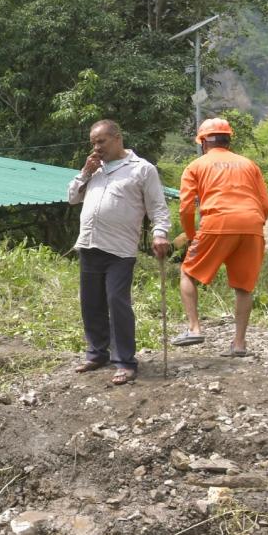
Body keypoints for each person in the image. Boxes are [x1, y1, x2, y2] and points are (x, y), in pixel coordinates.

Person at [67, 119, 171, 385]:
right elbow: (72, 197)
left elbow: (158, 207)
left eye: (101, 141)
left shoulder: (142, 169)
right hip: (89, 243)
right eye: (93, 143)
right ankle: (96, 353)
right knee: (91, 302)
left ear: (117, 138)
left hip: (120, 249)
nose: (97, 147)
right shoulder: (95, 168)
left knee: (116, 300)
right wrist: (85, 172)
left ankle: (124, 361)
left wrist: (160, 233)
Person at [161, 117, 268, 356]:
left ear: (203, 142)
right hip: (252, 225)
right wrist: (254, 224)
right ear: (228, 140)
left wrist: (192, 236)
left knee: (188, 272)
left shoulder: (196, 166)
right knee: (244, 286)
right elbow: (265, 203)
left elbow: (186, 208)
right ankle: (239, 344)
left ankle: (194, 329)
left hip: (217, 223)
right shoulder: (249, 164)